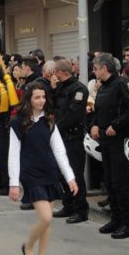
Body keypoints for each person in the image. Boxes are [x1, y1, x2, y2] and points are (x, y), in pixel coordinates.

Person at [9, 83, 78, 255]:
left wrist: (70, 177)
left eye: (43, 97)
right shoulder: (18, 123)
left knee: (46, 221)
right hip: (31, 174)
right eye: (37, 97)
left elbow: (59, 151)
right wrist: (14, 183)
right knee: (46, 217)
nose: (41, 101)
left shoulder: (49, 121)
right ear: (29, 100)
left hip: (50, 172)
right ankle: (28, 246)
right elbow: (13, 155)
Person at [90, 53, 129, 239]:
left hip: (119, 139)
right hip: (105, 139)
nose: (94, 71)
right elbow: (98, 109)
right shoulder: (103, 85)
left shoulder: (122, 83)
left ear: (105, 68)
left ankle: (128, 223)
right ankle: (116, 219)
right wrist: (94, 124)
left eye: (95, 68)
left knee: (120, 183)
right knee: (109, 182)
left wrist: (116, 125)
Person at [52, 58, 90, 223]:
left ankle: (80, 210)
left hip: (72, 137)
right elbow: (53, 107)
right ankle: (68, 205)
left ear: (61, 72)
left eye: (55, 72)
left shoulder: (79, 89)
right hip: (60, 137)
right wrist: (53, 89)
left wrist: (55, 129)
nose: (53, 75)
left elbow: (73, 115)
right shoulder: (60, 87)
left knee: (75, 174)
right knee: (61, 173)